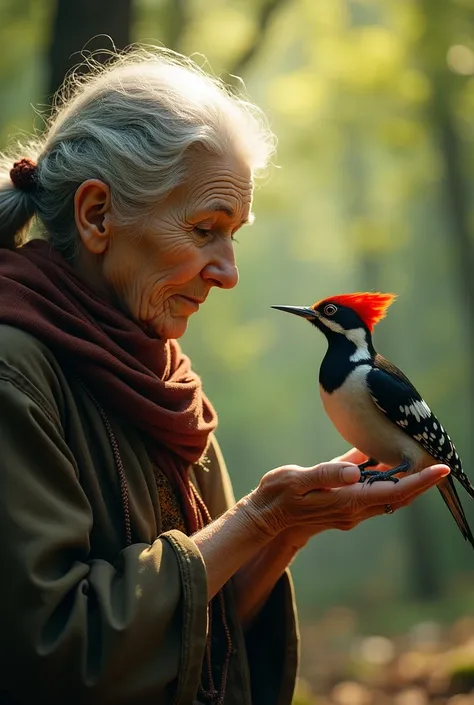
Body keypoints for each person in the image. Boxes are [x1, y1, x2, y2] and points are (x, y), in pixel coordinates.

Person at [0, 48, 449, 705]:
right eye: (205, 228)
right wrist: (256, 518)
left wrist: (285, 527)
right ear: (98, 216)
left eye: (234, 233)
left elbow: (199, 631)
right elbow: (54, 651)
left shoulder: (168, 378)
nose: (228, 271)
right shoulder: (16, 375)